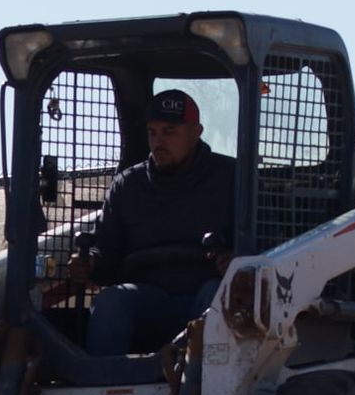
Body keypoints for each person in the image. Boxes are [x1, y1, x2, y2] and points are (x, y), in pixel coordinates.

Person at [67, 89, 235, 356]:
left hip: (206, 296)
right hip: (149, 300)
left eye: (169, 131)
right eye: (152, 132)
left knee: (221, 293)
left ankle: (208, 389)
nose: (158, 141)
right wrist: (89, 263)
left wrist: (235, 259)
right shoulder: (127, 186)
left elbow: (265, 249)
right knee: (112, 301)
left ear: (195, 132)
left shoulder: (232, 178)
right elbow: (106, 252)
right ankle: (102, 388)